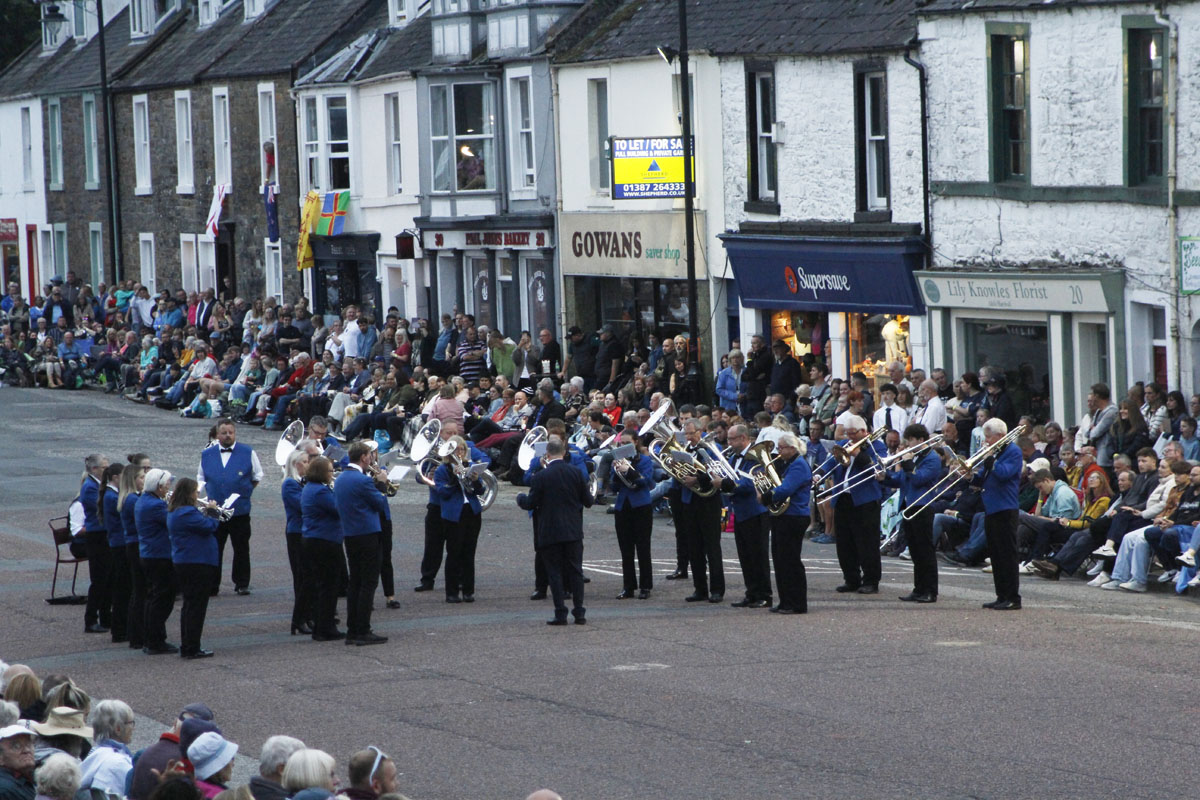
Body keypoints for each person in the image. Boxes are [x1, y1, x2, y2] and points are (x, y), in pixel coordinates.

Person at [517, 438, 594, 625]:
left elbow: (530, 503)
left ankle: (561, 613)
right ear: (564, 452)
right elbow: (589, 501)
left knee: (555, 573)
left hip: (550, 530)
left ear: (547, 454)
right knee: (576, 571)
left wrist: (520, 498)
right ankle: (579, 612)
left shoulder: (541, 476)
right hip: (573, 529)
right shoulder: (576, 472)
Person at [198, 419, 263, 596]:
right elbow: (201, 477)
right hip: (215, 510)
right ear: (217, 434)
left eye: (231, 432)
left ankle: (242, 583)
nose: (228, 435)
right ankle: (212, 584)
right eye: (224, 432)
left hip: (240, 510)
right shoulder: (207, 454)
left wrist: (246, 491)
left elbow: (257, 475)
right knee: (214, 547)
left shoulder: (248, 452)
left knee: (241, 547)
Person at [879, 424, 943, 603]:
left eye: (911, 441)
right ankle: (919, 588)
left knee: (925, 550)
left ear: (921, 440)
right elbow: (901, 480)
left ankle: (930, 590)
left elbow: (919, 479)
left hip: (922, 506)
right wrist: (885, 478)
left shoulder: (932, 458)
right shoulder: (913, 457)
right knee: (915, 550)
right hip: (908, 505)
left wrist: (907, 464)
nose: (907, 445)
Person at [334, 442, 389, 645]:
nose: (372, 459)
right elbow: (379, 503)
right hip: (367, 533)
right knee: (368, 583)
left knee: (355, 582)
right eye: (370, 456)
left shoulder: (341, 478)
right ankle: (363, 629)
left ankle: (352, 629)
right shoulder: (362, 480)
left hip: (350, 534)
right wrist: (381, 483)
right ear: (364, 457)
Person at [756, 433, 812, 614]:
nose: (778, 452)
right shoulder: (788, 464)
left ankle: (796, 603)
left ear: (792, 448)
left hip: (794, 515)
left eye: (781, 448)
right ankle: (785, 600)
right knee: (780, 560)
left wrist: (766, 497)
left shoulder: (799, 466)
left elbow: (786, 489)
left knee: (790, 561)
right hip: (784, 516)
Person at [972, 418, 1024, 609]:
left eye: (988, 437)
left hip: (1005, 507)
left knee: (1007, 555)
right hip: (991, 507)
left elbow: (1004, 473)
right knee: (996, 554)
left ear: (1000, 436)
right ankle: (1001, 595)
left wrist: (990, 460)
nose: (986, 441)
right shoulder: (995, 453)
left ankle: (1012, 597)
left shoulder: (1013, 452)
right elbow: (986, 477)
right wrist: (973, 477)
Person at [830, 416, 885, 594]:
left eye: (853, 433)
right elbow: (831, 461)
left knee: (867, 543)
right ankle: (851, 578)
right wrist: (820, 472)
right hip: (843, 497)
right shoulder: (846, 443)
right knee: (844, 543)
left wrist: (859, 455)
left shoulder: (877, 445)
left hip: (865, 500)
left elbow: (878, 470)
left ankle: (870, 580)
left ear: (863, 431)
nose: (850, 437)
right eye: (848, 433)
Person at [718, 424, 772, 608]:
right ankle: (751, 593)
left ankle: (764, 595)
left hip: (756, 512)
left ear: (742, 438)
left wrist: (727, 485)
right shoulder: (733, 457)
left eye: (732, 439)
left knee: (759, 556)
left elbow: (752, 484)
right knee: (745, 556)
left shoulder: (757, 458)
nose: (729, 443)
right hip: (740, 513)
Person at [168, 478, 221, 659]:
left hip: (189, 562)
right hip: (196, 563)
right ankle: (192, 646)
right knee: (196, 607)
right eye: (196, 492)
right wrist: (212, 511)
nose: (198, 495)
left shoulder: (181, 511)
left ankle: (188, 644)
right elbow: (210, 526)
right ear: (188, 493)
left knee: (190, 606)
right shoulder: (186, 513)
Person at [434, 437, 487, 604]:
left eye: (462, 450)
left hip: (471, 512)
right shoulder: (442, 470)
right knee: (454, 553)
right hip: (453, 515)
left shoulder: (468, 467)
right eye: (456, 450)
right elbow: (442, 492)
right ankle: (452, 592)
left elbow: (480, 490)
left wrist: (474, 479)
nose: (460, 453)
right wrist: (454, 479)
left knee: (469, 553)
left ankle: (468, 590)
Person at [301, 457, 343, 642]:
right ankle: (325, 627)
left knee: (323, 585)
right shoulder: (320, 491)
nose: (332, 474)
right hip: (324, 540)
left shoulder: (312, 488)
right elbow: (337, 509)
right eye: (330, 471)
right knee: (328, 586)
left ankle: (321, 625)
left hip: (314, 539)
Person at [135, 469, 177, 655]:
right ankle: (155, 640)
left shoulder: (145, 500)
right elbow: (173, 522)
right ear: (159, 487)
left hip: (150, 554)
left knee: (154, 597)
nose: (169, 487)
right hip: (159, 556)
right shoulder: (155, 506)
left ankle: (153, 637)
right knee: (162, 599)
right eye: (167, 484)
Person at [611, 430, 655, 599]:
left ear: (636, 442)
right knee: (626, 549)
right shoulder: (617, 461)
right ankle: (628, 586)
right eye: (621, 443)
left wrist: (628, 471)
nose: (623, 446)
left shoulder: (643, 460)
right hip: (623, 506)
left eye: (627, 443)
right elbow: (613, 487)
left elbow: (645, 481)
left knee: (643, 547)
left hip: (641, 505)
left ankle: (645, 586)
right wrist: (616, 472)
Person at [79, 454, 112, 634]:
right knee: (98, 580)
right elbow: (102, 508)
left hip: (103, 534)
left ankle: (105, 616)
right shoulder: (90, 487)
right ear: (94, 469)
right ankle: (90, 619)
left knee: (106, 579)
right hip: (96, 535)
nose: (106, 471)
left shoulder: (98, 485)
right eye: (104, 468)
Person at [281, 449, 313, 636]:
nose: (309, 465)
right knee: (301, 577)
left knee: (309, 577)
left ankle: (308, 615)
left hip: (305, 532)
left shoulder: (302, 483)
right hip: (296, 533)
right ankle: (298, 618)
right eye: (305, 462)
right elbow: (303, 506)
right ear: (296, 465)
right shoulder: (290, 484)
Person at [98, 464, 129, 643]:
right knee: (122, 588)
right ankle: (119, 629)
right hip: (119, 543)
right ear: (116, 477)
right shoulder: (111, 496)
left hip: (118, 542)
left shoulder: (110, 494)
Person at [78, 700, 134, 796]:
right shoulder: (119, 763)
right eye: (131, 723)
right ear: (118, 729)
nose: (133, 728)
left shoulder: (95, 754)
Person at [117, 464, 146, 651]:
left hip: (132, 543)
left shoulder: (129, 498)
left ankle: (135, 633)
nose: (144, 480)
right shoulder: (133, 500)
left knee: (138, 591)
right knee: (140, 591)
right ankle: (137, 635)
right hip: (136, 545)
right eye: (142, 477)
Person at [187, 732, 238, 799]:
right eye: (232, 758)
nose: (233, 764)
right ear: (222, 765)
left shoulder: (188, 789)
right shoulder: (224, 797)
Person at [0, 725, 36, 800]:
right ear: (1, 758)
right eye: (16, 746)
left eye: (28, 744)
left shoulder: (26, 777)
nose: (26, 750)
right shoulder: (6, 790)